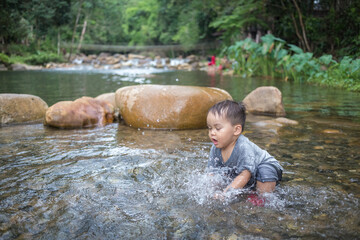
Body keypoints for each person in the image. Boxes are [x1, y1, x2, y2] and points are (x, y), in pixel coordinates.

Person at [206, 100, 283, 200]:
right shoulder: (215, 148)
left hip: (267, 166)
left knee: (264, 172)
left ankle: (262, 199)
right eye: (209, 128)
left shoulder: (243, 146)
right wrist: (210, 191)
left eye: (218, 128)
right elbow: (212, 173)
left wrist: (226, 194)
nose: (212, 133)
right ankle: (252, 191)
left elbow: (245, 175)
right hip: (250, 175)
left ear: (236, 130)